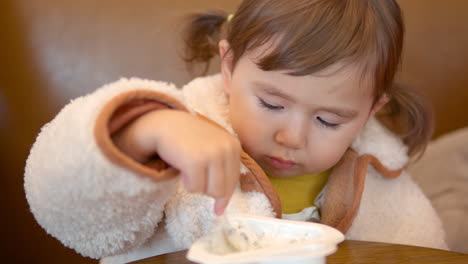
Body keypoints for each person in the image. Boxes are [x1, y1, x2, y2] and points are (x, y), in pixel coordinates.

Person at [24, 0, 448, 263]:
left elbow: (422, 253)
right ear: (228, 68)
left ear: (372, 108)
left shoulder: (381, 179)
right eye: (271, 104)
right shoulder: (183, 130)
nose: (292, 136)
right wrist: (149, 130)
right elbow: (62, 205)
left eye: (329, 121)